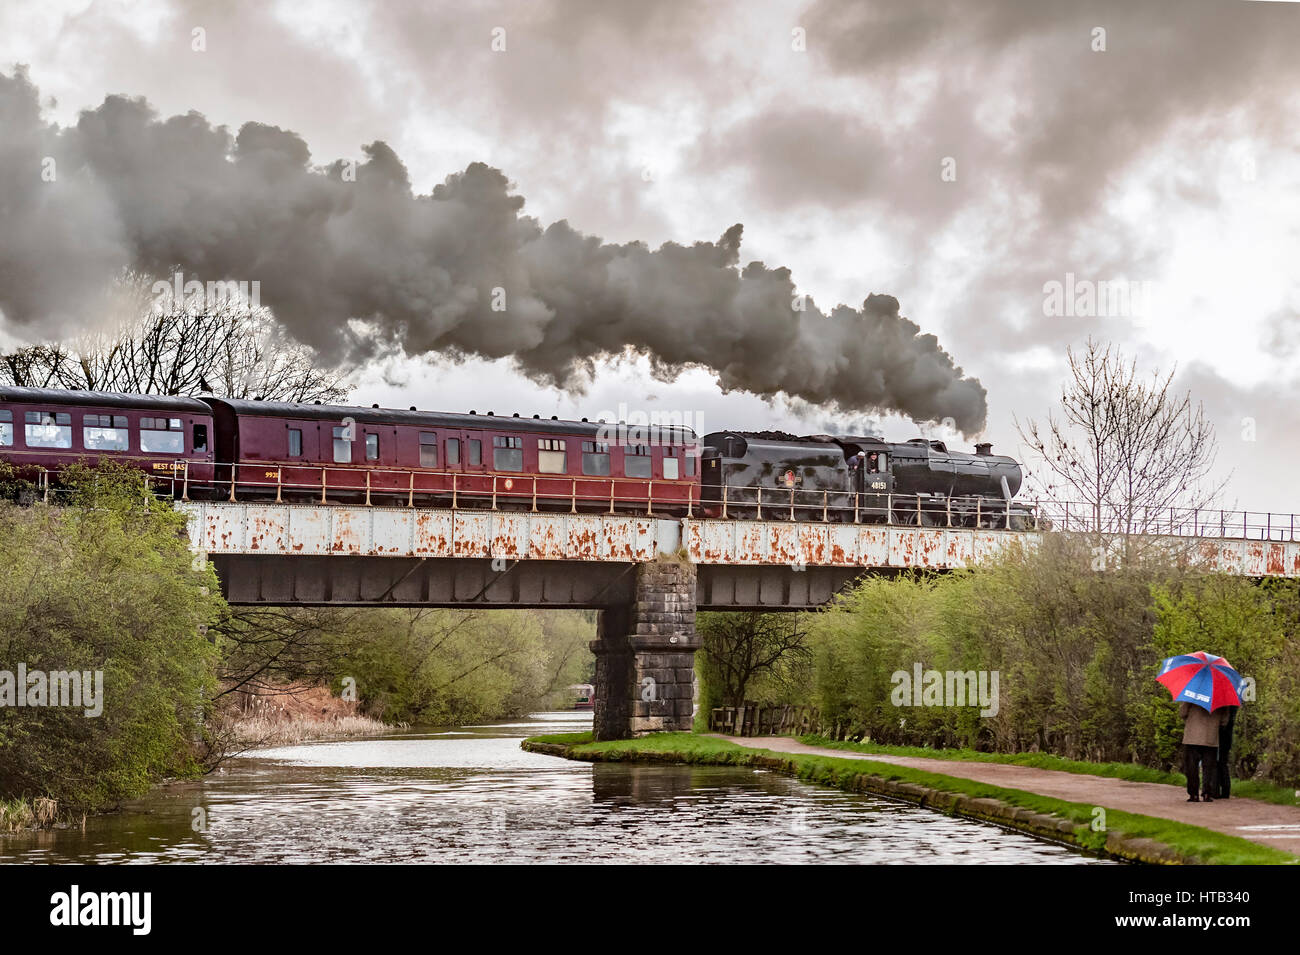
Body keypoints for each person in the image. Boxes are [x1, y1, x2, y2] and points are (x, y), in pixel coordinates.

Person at [1180, 701, 1230, 802]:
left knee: (1191, 767)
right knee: (1209, 767)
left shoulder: (1192, 694)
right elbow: (1224, 721)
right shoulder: (1221, 698)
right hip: (1210, 736)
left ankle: (1193, 794)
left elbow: (1182, 713)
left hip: (1192, 736)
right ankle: (1207, 793)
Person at [1217, 707, 1237, 799]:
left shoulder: (1226, 706)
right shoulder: (1232, 705)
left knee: (1218, 763)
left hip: (1221, 735)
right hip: (1227, 736)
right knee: (1222, 762)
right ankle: (1225, 790)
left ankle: (1217, 789)